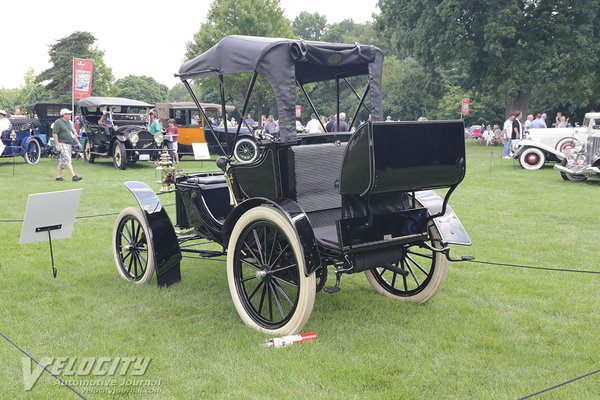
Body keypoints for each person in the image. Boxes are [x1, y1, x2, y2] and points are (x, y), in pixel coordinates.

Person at [52, 108, 82, 182]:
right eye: (68, 114)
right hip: (62, 144)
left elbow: (73, 134)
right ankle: (74, 176)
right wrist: (57, 145)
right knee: (68, 160)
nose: (70, 115)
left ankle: (58, 177)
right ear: (64, 115)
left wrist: (78, 142)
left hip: (68, 144)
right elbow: (55, 133)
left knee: (62, 161)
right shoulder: (58, 122)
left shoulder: (69, 123)